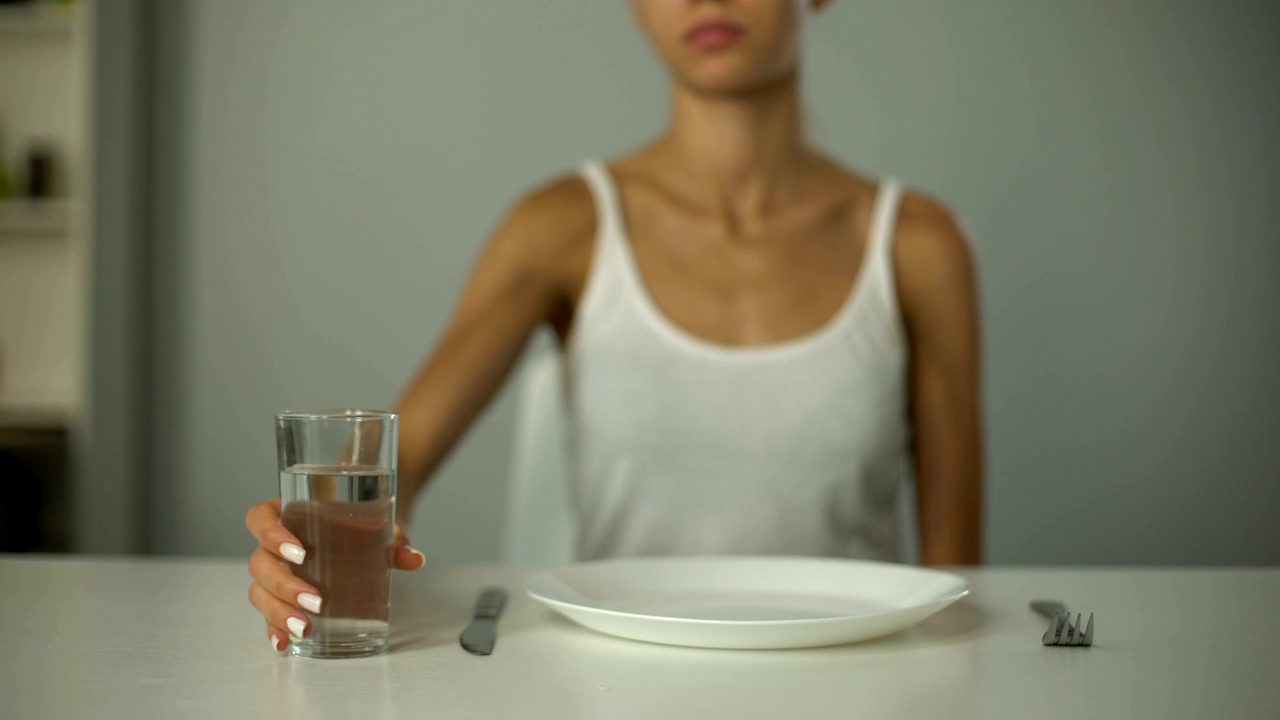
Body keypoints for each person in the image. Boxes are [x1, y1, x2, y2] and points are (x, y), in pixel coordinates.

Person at [246, 0, 983, 652]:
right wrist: (306, 543)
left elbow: (955, 581)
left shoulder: (919, 244)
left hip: (859, 678)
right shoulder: (559, 227)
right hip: (613, 680)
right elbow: (385, 475)